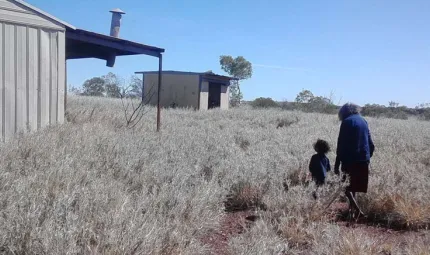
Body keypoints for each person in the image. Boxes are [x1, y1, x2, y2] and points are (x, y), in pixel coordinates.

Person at [334, 103, 375, 218]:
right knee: (354, 186)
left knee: (345, 186)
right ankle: (352, 213)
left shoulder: (346, 122)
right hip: (363, 158)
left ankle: (357, 210)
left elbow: (341, 143)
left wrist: (337, 163)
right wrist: (367, 157)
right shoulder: (364, 121)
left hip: (350, 158)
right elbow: (371, 143)